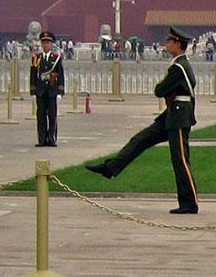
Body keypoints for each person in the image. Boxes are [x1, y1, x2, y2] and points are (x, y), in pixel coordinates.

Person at [86, 27, 200, 214]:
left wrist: (162, 88)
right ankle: (111, 168)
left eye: (169, 41)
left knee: (180, 160)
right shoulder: (179, 64)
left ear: (177, 44)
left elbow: (159, 90)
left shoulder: (179, 67)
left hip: (179, 117)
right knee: (140, 140)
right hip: (171, 115)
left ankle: (189, 203)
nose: (166, 44)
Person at [29, 31, 65, 147]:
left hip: (52, 90)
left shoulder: (56, 58)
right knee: (40, 116)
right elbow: (33, 75)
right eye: (44, 42)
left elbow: (60, 74)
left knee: (52, 115)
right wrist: (33, 91)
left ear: (51, 44)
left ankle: (52, 138)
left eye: (48, 42)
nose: (45, 45)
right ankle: (42, 139)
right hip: (40, 91)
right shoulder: (36, 58)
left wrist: (60, 92)